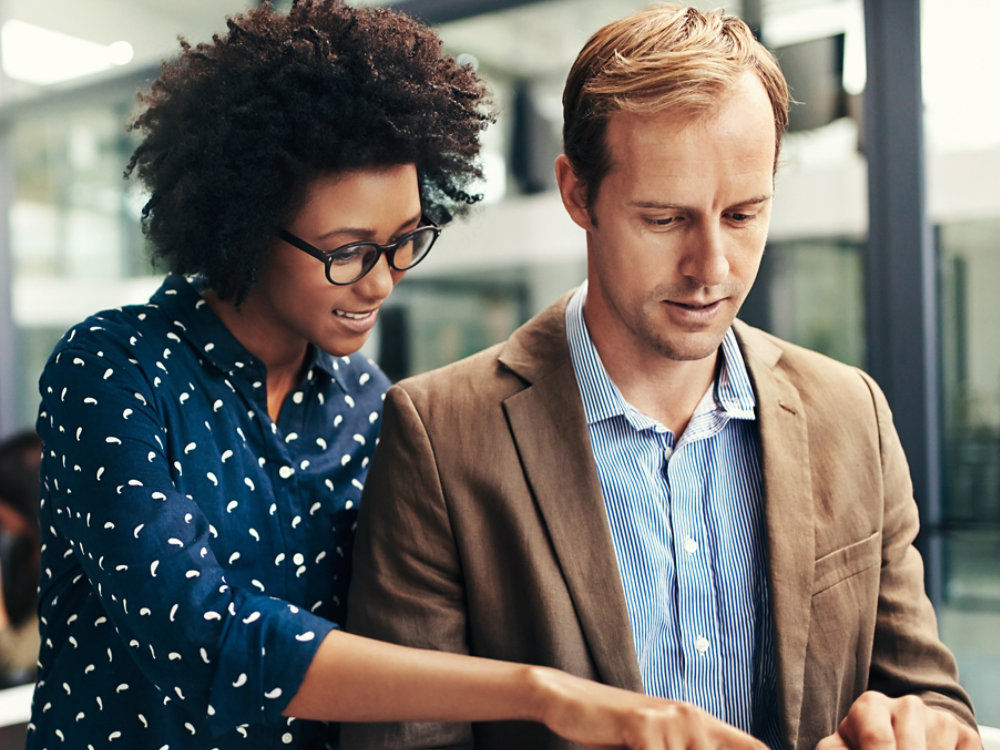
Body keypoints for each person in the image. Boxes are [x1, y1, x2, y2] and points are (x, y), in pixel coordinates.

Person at [25, 2, 773, 749]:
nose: (382, 283)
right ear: (247, 224)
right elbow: (202, 636)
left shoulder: (370, 404)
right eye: (347, 250)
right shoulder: (115, 369)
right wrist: (540, 692)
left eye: (403, 241)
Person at [343, 6, 981, 750]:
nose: (711, 268)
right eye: (665, 219)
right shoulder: (440, 437)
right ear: (578, 194)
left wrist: (912, 730)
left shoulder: (853, 414)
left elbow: (930, 699)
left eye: (743, 215)